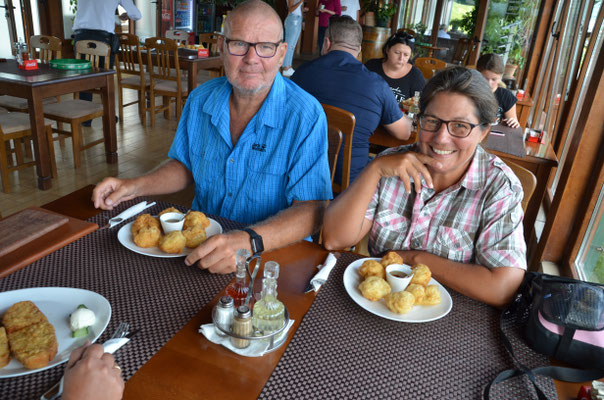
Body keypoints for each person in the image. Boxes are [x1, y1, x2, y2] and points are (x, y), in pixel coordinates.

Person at [92, 0, 332, 274]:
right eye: (239, 44)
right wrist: (133, 186)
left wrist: (249, 240)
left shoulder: (305, 115)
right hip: (201, 249)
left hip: (274, 259)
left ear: (281, 54)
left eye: (265, 47)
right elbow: (184, 166)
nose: (251, 59)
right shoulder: (200, 99)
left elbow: (313, 210)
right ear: (221, 46)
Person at [322, 67, 527, 307]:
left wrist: (415, 259)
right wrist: (374, 169)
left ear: (483, 132)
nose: (441, 138)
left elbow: (503, 288)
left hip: (453, 322)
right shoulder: (390, 165)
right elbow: (333, 240)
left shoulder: (499, 187)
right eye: (432, 121)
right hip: (381, 307)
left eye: (460, 126)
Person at [292, 16, 411, 185]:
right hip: (349, 187)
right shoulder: (376, 85)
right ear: (359, 49)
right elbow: (404, 133)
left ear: (327, 43)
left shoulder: (302, 73)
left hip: (299, 177)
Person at [73, 0, 141, 125]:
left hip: (80, 37)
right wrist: (126, 14)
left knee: (84, 78)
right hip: (102, 38)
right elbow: (136, 15)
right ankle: (108, 115)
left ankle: (85, 118)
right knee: (105, 80)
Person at [365, 31, 426, 105]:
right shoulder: (372, 66)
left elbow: (420, 104)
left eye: (406, 55)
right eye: (397, 52)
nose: (401, 58)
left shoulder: (415, 75)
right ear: (387, 49)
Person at [477, 53, 520, 128]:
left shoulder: (506, 96)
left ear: (500, 77)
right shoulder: (469, 92)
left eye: (494, 79)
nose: (489, 83)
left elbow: (513, 123)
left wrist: (514, 123)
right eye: (485, 78)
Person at [281, 0, 305, 77]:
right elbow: (291, 9)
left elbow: (296, 9)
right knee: (289, 45)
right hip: (293, 19)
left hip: (297, 19)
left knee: (292, 46)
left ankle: (289, 66)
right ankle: (285, 68)